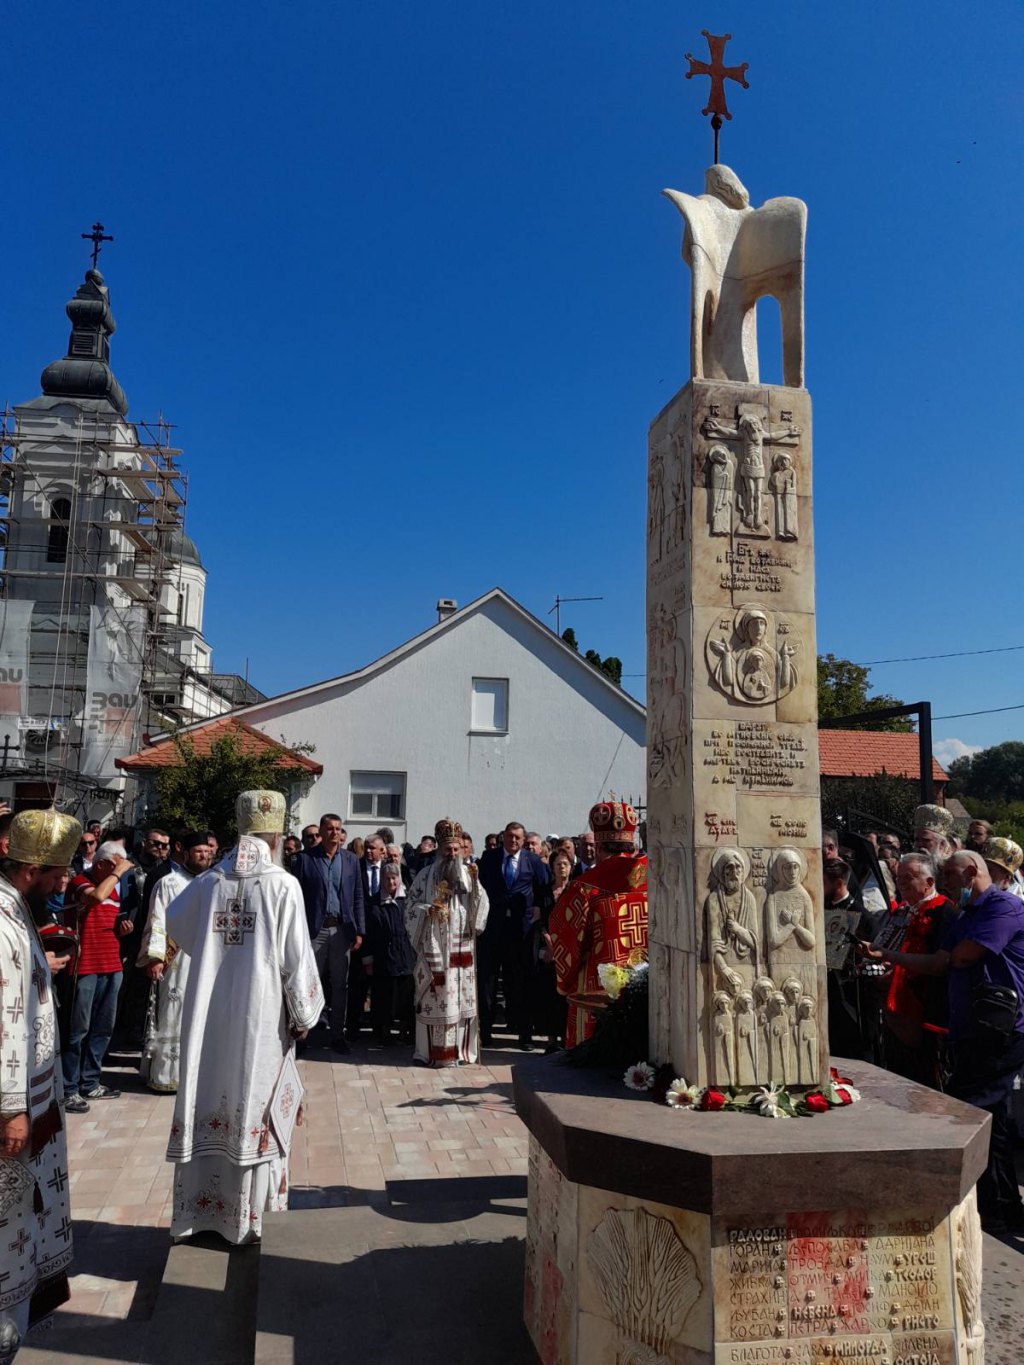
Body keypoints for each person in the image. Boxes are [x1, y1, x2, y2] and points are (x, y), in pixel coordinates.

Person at [165, 790, 323, 1244]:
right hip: (261, 1016)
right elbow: (296, 961)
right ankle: (249, 1220)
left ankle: (201, 1214)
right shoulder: (281, 883)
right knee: (253, 1097)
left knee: (209, 1090)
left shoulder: (211, 880)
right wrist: (305, 1012)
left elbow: (177, 923)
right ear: (276, 834)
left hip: (210, 1017)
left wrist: (218, 956)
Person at [870, 851, 1024, 1233]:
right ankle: (1000, 1208)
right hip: (972, 1031)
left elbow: (965, 956)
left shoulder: (1005, 907)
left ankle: (952, 1199)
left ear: (972, 873)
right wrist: (888, 955)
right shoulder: (968, 913)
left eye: (952, 878)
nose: (948, 885)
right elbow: (941, 961)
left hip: (1002, 1033)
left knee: (961, 1110)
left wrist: (952, 955)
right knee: (994, 1124)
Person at [0, 809, 81, 1356]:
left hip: (38, 1090)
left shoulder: (16, 909)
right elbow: (4, 1016)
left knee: (28, 1211)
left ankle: (18, 1314)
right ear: (31, 868)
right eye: (58, 872)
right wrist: (10, 1108)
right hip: (17, 1099)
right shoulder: (2, 922)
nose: (65, 881)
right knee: (7, 1212)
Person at [548, 801, 648, 1047]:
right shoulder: (658, 878)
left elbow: (565, 935)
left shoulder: (583, 887)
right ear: (631, 842)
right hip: (648, 983)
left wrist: (565, 979)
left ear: (600, 846)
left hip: (596, 988)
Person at [405, 819, 489, 1066]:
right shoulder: (424, 876)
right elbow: (409, 907)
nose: (451, 854)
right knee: (436, 997)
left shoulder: (469, 874)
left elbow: (482, 906)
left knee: (460, 1001)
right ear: (439, 850)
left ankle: (461, 1052)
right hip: (435, 948)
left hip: (461, 948)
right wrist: (428, 910)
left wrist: (475, 892)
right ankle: (430, 1053)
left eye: (456, 849)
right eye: (447, 849)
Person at [137, 831, 213, 1093]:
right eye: (198, 851)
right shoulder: (169, 883)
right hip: (177, 961)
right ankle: (166, 1075)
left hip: (205, 959)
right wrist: (156, 957)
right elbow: (157, 920)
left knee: (202, 1012)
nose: (204, 855)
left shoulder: (215, 882)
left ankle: (198, 1074)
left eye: (207, 851)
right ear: (186, 853)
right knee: (173, 1012)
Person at [62, 840, 135, 1111]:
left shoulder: (113, 893)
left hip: (111, 965)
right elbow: (94, 898)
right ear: (102, 863)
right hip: (85, 967)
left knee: (102, 1029)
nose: (120, 873)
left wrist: (121, 930)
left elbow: (103, 915)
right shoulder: (81, 882)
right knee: (78, 1030)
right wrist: (118, 873)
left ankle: (90, 1082)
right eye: (116, 866)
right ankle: (70, 1087)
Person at [879, 852, 957, 1085]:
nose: (901, 884)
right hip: (896, 1009)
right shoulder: (902, 910)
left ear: (929, 882)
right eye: (898, 878)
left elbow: (940, 963)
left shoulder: (945, 910)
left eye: (908, 878)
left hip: (926, 1010)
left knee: (926, 1081)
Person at [293, 813, 364, 1055]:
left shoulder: (351, 860)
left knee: (340, 985)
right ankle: (303, 1035)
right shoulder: (304, 859)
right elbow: (297, 897)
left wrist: (359, 930)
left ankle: (337, 1035)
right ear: (321, 833)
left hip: (342, 930)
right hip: (315, 930)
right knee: (307, 982)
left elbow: (357, 896)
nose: (335, 832)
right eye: (330, 829)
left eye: (338, 828)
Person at [477, 821, 550, 1048]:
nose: (514, 841)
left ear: (523, 838)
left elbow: (545, 888)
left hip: (521, 932)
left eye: (518, 837)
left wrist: (538, 908)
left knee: (520, 983)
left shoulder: (533, 860)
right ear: (504, 837)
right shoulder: (489, 858)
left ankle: (524, 1035)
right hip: (493, 931)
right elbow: (478, 888)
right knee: (487, 983)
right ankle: (485, 1033)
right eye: (510, 836)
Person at [363, 863, 415, 1045]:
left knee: (406, 997)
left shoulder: (408, 901)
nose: (391, 881)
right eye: (387, 878)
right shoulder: (374, 903)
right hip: (383, 958)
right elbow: (368, 933)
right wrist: (367, 959)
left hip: (406, 956)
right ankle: (382, 1032)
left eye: (394, 878)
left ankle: (406, 1031)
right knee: (383, 997)